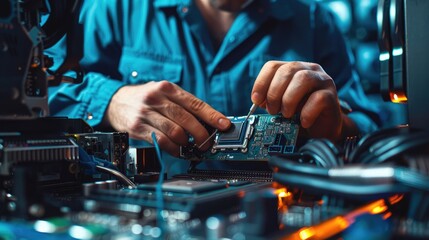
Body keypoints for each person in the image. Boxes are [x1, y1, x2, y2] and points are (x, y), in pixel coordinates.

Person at [47, 0, 380, 173]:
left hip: (275, 214)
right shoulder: (116, 8)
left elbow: (369, 125)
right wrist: (111, 100)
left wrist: (337, 127)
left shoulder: (312, 19)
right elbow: (40, 95)